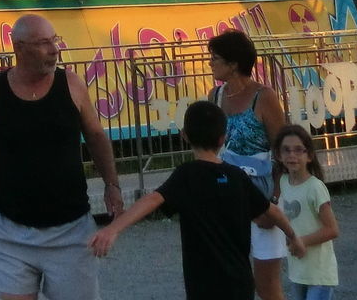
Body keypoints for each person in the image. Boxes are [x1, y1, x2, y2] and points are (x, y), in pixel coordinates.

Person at [0, 12, 125, 300]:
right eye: (43, 43)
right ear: (18, 48)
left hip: (71, 230)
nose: (54, 50)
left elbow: (96, 137)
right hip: (10, 231)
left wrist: (112, 184)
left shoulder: (72, 84)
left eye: (55, 40)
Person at [89, 100, 302, 300]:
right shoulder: (237, 177)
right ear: (222, 139)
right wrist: (293, 235)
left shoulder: (187, 175)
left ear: (184, 135)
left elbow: (153, 200)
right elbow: (272, 211)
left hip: (203, 285)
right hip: (240, 283)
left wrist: (113, 228)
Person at [208, 28, 293, 300]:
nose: (210, 63)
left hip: (262, 193)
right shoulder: (215, 97)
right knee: (229, 279)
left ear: (233, 64)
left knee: (267, 285)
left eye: (215, 58)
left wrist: (274, 201)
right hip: (226, 195)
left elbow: (282, 150)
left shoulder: (264, 97)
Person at [272, 125, 339, 300]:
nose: (291, 155)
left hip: (319, 274)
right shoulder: (283, 182)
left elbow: (332, 229)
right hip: (298, 272)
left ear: (309, 155)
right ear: (279, 155)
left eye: (298, 150)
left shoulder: (315, 188)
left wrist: (301, 241)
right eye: (286, 150)